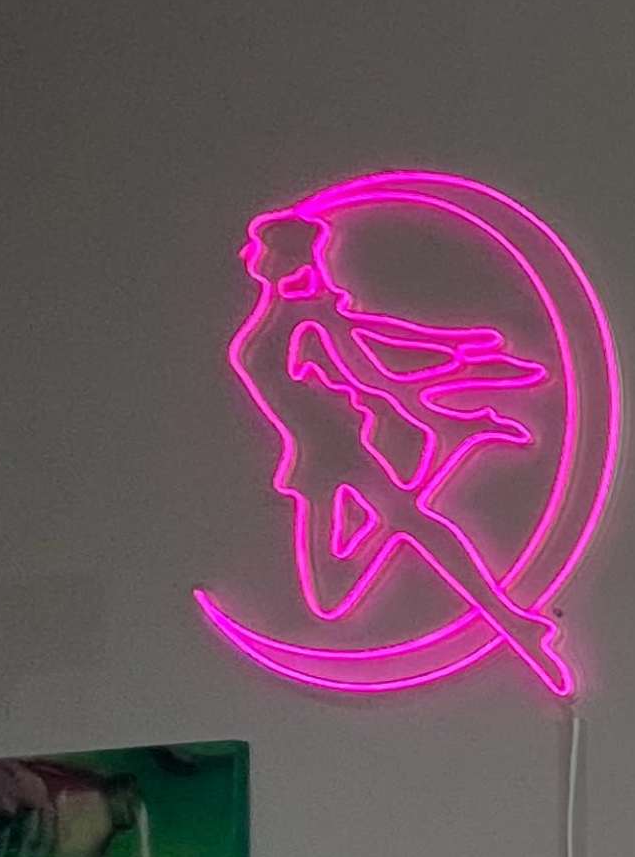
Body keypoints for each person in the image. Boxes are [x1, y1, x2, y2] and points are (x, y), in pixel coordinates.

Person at [219, 207, 580, 696]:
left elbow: (373, 372)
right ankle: (461, 453)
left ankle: (513, 622)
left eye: (261, 248)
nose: (249, 253)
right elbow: (371, 336)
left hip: (339, 448)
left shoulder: (307, 318)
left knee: (413, 527)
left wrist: (456, 356)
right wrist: (456, 354)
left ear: (282, 258)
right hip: (316, 458)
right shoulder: (288, 315)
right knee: (335, 593)